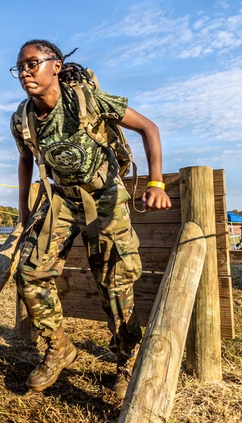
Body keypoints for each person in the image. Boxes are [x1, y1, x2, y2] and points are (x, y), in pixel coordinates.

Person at [9, 39, 171, 400]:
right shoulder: (22, 117)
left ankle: (127, 360)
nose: (24, 72)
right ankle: (58, 346)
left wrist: (156, 182)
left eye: (32, 64)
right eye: (19, 67)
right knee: (30, 272)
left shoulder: (87, 100)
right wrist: (24, 210)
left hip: (105, 197)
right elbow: (24, 159)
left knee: (114, 283)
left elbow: (149, 128)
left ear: (55, 65)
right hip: (62, 200)